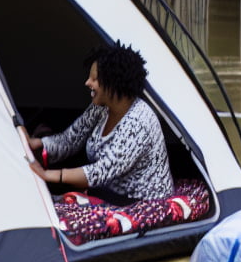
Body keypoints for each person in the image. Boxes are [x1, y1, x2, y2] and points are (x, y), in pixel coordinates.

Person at [25, 43, 173, 205]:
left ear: (114, 83)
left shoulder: (138, 122)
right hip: (109, 191)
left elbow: (100, 171)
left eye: (94, 79)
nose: (87, 83)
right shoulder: (102, 106)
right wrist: (37, 143)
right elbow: (71, 139)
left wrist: (49, 175)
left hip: (141, 201)